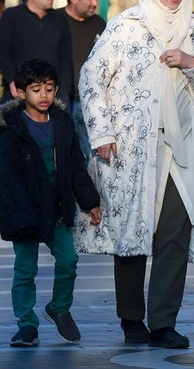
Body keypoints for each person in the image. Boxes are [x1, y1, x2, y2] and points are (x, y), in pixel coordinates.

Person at [76, 0, 194, 349]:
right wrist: (102, 134)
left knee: (175, 231)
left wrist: (190, 62)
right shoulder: (127, 26)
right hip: (131, 147)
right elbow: (92, 78)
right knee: (133, 231)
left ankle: (163, 322)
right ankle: (131, 318)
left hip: (182, 147)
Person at [0, 59, 102, 347]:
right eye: (36, 89)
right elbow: (7, 178)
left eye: (48, 88)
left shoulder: (62, 124)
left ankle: (59, 307)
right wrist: (19, 214)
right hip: (25, 212)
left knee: (69, 260)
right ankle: (26, 325)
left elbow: (75, 166)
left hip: (56, 208)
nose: (43, 95)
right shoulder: (11, 130)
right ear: (21, 93)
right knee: (25, 269)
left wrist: (89, 200)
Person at [0, 0, 73, 104]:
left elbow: (66, 59)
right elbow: (3, 53)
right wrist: (11, 81)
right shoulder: (12, 16)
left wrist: (63, 94)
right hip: (17, 98)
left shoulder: (59, 19)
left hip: (52, 101)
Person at [60, 0, 104, 159]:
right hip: (62, 100)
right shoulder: (56, 20)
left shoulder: (99, 24)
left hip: (91, 100)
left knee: (91, 156)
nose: (95, 3)